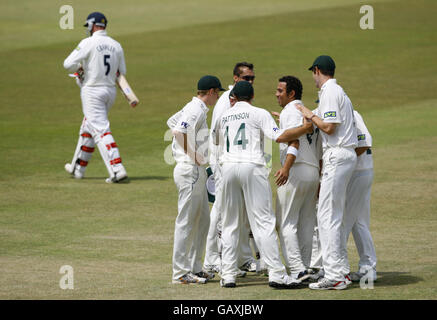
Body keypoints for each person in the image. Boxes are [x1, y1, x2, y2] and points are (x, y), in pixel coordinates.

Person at [212, 81, 312, 288]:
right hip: (252, 166)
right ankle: (276, 273)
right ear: (252, 95)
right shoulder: (259, 113)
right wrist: (304, 128)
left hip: (228, 167)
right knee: (264, 221)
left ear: (234, 98)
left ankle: (228, 274)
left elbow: (216, 141)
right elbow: (279, 137)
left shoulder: (224, 116)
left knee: (230, 222)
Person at [297, 55, 358, 290]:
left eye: (313, 72)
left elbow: (330, 127)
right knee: (333, 216)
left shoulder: (331, 91)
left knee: (327, 217)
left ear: (317, 70)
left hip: (338, 154)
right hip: (343, 156)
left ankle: (335, 276)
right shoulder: (335, 92)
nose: (313, 77)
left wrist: (309, 114)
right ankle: (340, 271)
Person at [167, 75, 225, 284]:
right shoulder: (196, 108)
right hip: (190, 170)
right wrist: (194, 156)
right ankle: (180, 273)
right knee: (186, 221)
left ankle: (195, 268)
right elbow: (178, 130)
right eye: (216, 92)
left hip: (194, 171)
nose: (217, 96)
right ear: (210, 92)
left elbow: (171, 121)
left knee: (203, 221)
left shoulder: (194, 107)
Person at [204, 62, 259, 275]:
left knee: (242, 210)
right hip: (223, 162)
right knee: (220, 210)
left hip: (238, 162)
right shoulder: (226, 102)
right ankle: (211, 259)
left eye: (252, 78)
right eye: (246, 78)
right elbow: (216, 137)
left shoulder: (242, 99)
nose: (250, 82)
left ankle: (243, 257)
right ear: (235, 78)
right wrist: (218, 166)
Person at [63, 12, 128, 183]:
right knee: (88, 127)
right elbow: (121, 72)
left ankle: (117, 168)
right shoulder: (116, 45)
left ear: (93, 25)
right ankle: (78, 168)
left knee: (100, 129)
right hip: (110, 91)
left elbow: (67, 64)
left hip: (92, 91)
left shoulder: (88, 42)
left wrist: (80, 69)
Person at [273, 76, 321, 282]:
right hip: (312, 172)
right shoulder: (306, 112)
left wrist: (286, 167)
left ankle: (297, 268)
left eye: (280, 91)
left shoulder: (290, 111)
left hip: (296, 169)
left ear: (291, 93)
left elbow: (294, 141)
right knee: (306, 222)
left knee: (286, 222)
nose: (277, 94)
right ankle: (305, 267)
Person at [341, 110, 377, 282]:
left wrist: (344, 162)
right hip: (359, 172)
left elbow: (365, 142)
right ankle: (368, 267)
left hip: (359, 172)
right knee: (358, 221)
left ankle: (338, 269)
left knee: (346, 220)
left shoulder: (352, 113)